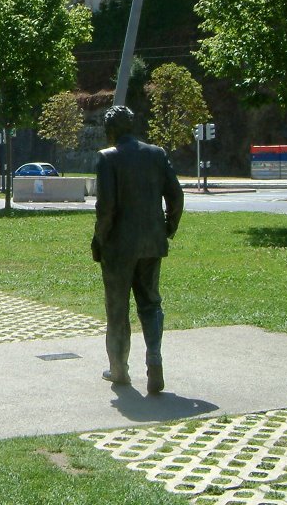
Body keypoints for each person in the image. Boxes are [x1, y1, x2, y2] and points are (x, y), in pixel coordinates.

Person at [91, 105, 184, 394]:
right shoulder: (156, 154)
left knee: (117, 308)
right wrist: (168, 227)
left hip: (119, 246)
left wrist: (99, 239)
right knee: (151, 303)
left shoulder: (108, 158)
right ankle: (154, 358)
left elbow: (106, 209)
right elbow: (176, 195)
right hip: (152, 242)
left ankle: (119, 370)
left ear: (111, 129)